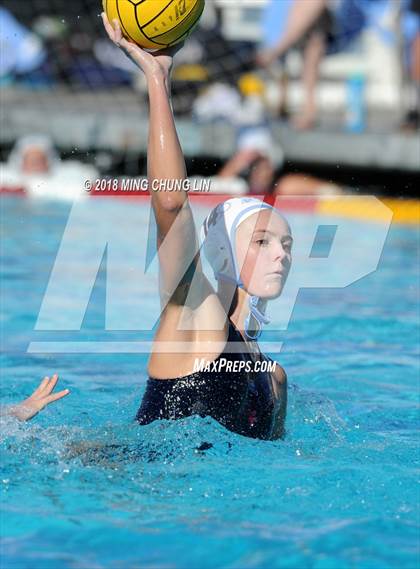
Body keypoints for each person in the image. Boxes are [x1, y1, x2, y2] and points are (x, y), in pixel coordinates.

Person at [8, 14, 291, 441]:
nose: (282, 254)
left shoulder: (274, 379)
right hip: (136, 494)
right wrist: (158, 81)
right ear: (221, 252)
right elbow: (171, 204)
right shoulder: (194, 313)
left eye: (287, 243)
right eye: (263, 240)